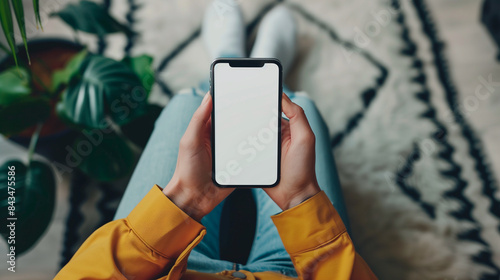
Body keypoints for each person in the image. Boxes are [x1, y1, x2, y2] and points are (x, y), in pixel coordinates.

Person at [55, 1, 377, 279]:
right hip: (292, 273)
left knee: (190, 103)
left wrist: (186, 199)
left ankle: (231, 59)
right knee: (302, 109)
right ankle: (265, 68)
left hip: (165, 269)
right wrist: (299, 198)